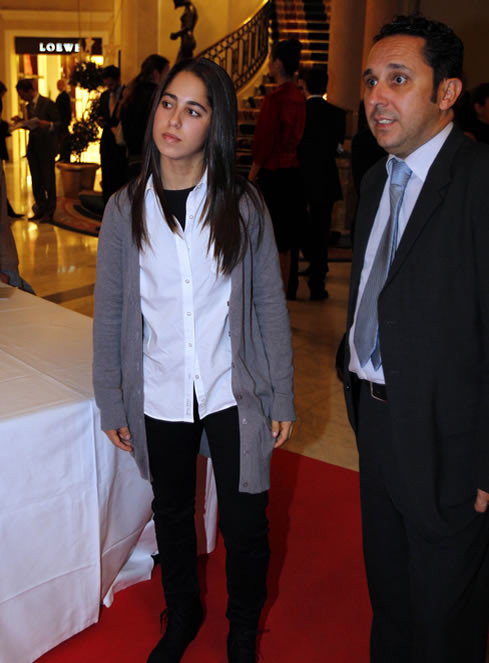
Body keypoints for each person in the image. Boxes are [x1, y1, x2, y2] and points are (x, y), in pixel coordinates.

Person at [93, 57, 294, 663]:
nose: (173, 120)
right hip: (160, 389)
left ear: (216, 124)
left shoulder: (243, 204)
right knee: (173, 513)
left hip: (234, 389)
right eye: (167, 103)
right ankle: (182, 612)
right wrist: (111, 400)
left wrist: (282, 393)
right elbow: (111, 312)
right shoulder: (124, 208)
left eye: (193, 109)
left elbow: (267, 301)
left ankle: (242, 629)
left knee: (247, 522)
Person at [342, 14, 489, 662]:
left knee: (445, 619)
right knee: (391, 599)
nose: (377, 96)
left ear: (447, 92)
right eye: (370, 80)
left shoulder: (479, 179)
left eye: (398, 79)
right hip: (377, 423)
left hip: (450, 439)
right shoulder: (377, 179)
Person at [248, 39, 305, 294]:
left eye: (271, 60)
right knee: (286, 239)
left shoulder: (275, 99)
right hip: (293, 173)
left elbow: (264, 141)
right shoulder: (299, 97)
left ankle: (272, 295)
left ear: (278, 63)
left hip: (273, 174)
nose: (269, 64)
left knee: (269, 237)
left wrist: (252, 175)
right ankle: (285, 290)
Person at [296, 67, 345, 300]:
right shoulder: (336, 113)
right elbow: (338, 147)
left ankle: (304, 266)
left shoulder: (300, 112)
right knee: (322, 228)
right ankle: (318, 281)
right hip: (325, 176)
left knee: (300, 225)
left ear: (305, 85)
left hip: (301, 176)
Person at [13, 79, 60, 222]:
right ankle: (41, 208)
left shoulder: (47, 103)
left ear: (29, 91)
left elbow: (60, 123)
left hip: (46, 148)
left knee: (48, 181)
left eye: (22, 94)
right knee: (36, 181)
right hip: (33, 149)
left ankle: (50, 212)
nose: (21, 98)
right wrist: (21, 122)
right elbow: (32, 126)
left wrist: (49, 124)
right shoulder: (28, 107)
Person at [120, 54, 170, 179]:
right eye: (166, 71)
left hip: (132, 158)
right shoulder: (156, 96)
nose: (168, 77)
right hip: (150, 158)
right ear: (156, 73)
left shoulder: (131, 93)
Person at [96, 65, 127, 205]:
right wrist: (100, 120)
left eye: (112, 84)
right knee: (107, 176)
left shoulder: (127, 94)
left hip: (120, 141)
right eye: (107, 85)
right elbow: (101, 113)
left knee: (119, 177)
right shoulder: (104, 96)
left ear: (118, 79)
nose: (109, 87)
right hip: (107, 140)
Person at [55, 79, 72, 162]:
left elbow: (67, 109)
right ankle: (63, 156)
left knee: (64, 139)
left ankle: (64, 156)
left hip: (63, 121)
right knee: (62, 139)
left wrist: (66, 121)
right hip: (62, 121)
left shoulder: (64, 96)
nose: (58, 86)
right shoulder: (62, 95)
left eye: (59, 84)